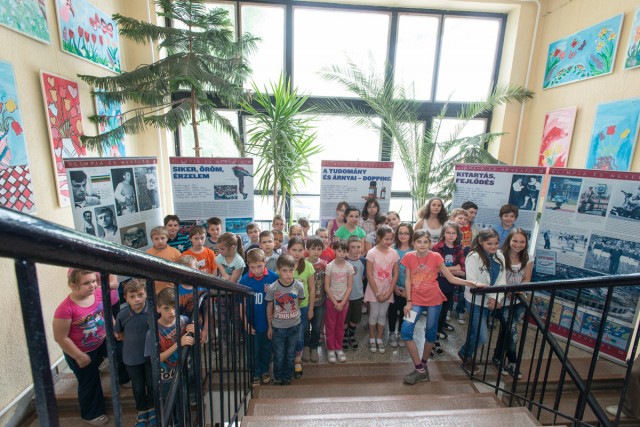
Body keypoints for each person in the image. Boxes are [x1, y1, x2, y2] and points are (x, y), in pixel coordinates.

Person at [401, 231, 485, 384]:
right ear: (413, 243)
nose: (422, 245)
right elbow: (407, 280)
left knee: (431, 333)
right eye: (419, 242)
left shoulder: (436, 256)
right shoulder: (408, 257)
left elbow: (451, 278)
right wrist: (408, 301)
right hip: (415, 301)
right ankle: (420, 369)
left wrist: (472, 283)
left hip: (434, 300)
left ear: (430, 243)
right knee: (406, 330)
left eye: (425, 242)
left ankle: (423, 366)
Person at [53, 270, 118, 426]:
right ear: (73, 286)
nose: (93, 285)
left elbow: (105, 311)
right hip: (80, 351)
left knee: (121, 352)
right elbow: (60, 337)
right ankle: (91, 414)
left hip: (101, 341)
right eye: (86, 283)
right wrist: (78, 355)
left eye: (94, 281)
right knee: (89, 380)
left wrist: (114, 328)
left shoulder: (97, 293)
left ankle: (123, 379)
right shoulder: (65, 309)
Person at [458, 228, 506, 375]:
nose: (493, 246)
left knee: (475, 331)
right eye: (489, 243)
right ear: (480, 241)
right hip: (475, 301)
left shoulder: (500, 256)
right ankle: (465, 352)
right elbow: (473, 281)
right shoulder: (473, 256)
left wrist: (496, 298)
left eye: (496, 243)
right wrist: (491, 297)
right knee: (482, 336)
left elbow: (501, 279)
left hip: (490, 301)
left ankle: (466, 354)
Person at [143, 288, 195, 411]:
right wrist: (178, 344)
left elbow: (193, 340)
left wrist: (195, 331)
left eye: (174, 307)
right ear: (158, 308)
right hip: (166, 379)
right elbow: (156, 359)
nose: (171, 312)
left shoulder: (184, 320)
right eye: (166, 308)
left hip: (182, 372)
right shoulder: (153, 332)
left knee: (183, 405)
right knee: (169, 408)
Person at [492, 228, 533, 379]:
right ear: (509, 240)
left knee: (507, 330)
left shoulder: (528, 257)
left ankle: (497, 357)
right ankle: (513, 361)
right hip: (503, 300)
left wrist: (519, 289)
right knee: (512, 330)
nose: (518, 244)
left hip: (519, 300)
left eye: (522, 241)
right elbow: (496, 277)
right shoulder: (499, 255)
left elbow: (527, 278)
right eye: (515, 241)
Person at [114, 279, 154, 427]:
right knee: (138, 386)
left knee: (151, 383)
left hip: (150, 357)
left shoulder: (153, 311)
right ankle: (142, 411)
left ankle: (153, 409)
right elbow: (119, 334)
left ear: (146, 294)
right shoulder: (122, 315)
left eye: (140, 295)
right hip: (131, 358)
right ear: (126, 298)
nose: (137, 299)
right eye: (132, 296)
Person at [239, 249, 278, 385]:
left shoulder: (273, 277)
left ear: (265, 262)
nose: (256, 270)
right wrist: (245, 323)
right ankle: (255, 372)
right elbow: (240, 304)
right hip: (252, 323)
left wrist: (273, 323)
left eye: (259, 266)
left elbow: (277, 301)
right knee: (253, 350)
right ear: (248, 265)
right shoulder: (244, 280)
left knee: (267, 349)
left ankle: (265, 370)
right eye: (252, 267)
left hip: (268, 323)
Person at [266, 255, 306, 385]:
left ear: (294, 269)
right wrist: (270, 327)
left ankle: (287, 377)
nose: (288, 274)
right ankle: (278, 377)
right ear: (278, 270)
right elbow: (269, 306)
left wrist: (291, 311)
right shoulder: (273, 287)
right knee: (278, 355)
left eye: (291, 270)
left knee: (290, 355)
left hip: (294, 326)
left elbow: (299, 301)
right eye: (284, 270)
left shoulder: (299, 286)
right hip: (278, 328)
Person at [365, 225, 398, 354]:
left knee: (383, 314)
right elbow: (369, 275)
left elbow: (395, 274)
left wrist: (389, 292)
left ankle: (379, 338)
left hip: (387, 289)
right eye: (386, 239)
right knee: (374, 314)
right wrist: (377, 293)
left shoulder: (394, 253)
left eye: (391, 239)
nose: (389, 241)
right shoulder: (372, 253)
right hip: (374, 289)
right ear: (379, 238)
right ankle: (372, 338)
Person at [433, 222, 466, 345]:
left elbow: (462, 271)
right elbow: (435, 269)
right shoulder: (437, 247)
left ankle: (439, 329)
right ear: (443, 233)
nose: (450, 235)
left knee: (445, 310)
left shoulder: (459, 249)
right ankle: (433, 333)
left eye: (453, 233)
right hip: (437, 285)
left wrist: (445, 269)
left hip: (451, 286)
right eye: (448, 232)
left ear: (457, 235)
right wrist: (454, 268)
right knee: (437, 311)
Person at [286, 237, 316, 378]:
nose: (297, 253)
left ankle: (297, 360)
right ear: (288, 250)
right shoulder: (283, 265)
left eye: (300, 250)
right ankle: (288, 358)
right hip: (285, 308)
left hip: (302, 308)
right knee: (287, 334)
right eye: (294, 250)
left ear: (304, 251)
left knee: (299, 335)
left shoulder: (308, 266)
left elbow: (312, 289)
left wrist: (311, 308)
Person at [324, 238, 354, 363]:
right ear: (335, 251)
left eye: (344, 251)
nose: (342, 254)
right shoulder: (329, 266)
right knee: (330, 326)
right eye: (340, 251)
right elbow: (326, 287)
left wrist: (342, 302)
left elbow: (349, 287)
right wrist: (335, 302)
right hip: (331, 301)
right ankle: (331, 349)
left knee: (340, 326)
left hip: (344, 302)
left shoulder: (349, 267)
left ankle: (338, 348)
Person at [388, 223, 413, 348]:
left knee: (407, 313)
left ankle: (404, 333)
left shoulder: (414, 250)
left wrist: (409, 290)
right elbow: (388, 269)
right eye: (400, 233)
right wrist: (394, 287)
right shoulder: (392, 249)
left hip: (410, 288)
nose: (403, 236)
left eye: (406, 233)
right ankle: (392, 332)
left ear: (411, 235)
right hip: (394, 286)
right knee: (392, 311)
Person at [302, 236, 327, 364]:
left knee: (317, 327)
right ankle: (306, 347)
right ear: (307, 249)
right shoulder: (303, 263)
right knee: (305, 327)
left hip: (320, 301)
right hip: (306, 301)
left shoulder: (324, 264)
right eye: (313, 249)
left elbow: (326, 283)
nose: (316, 251)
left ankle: (314, 347)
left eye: (319, 249)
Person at [176, 256, 209, 345]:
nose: (188, 274)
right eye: (184, 271)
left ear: (197, 269)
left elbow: (208, 310)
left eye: (191, 270)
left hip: (198, 329)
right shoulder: (176, 288)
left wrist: (205, 330)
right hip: (181, 331)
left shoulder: (203, 288)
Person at [343, 236, 366, 351]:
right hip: (345, 296)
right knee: (345, 318)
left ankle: (351, 335)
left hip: (358, 295)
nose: (356, 250)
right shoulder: (344, 260)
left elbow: (363, 277)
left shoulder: (363, 261)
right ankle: (344, 335)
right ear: (348, 248)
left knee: (355, 318)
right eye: (353, 247)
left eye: (358, 247)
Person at [145, 226, 182, 292]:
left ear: (167, 238)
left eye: (162, 238)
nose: (160, 241)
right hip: (154, 289)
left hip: (172, 288)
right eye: (156, 239)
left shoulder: (175, 252)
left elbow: (182, 271)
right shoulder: (147, 254)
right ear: (152, 239)